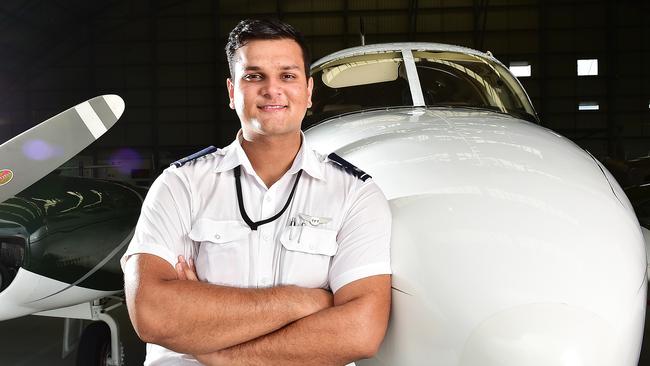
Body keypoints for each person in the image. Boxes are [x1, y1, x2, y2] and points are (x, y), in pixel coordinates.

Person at [122, 18, 392, 366]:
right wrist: (302, 302)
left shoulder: (355, 194)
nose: (272, 89)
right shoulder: (180, 185)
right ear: (233, 92)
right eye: (254, 76)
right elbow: (152, 314)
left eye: (288, 75)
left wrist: (216, 350)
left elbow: (360, 331)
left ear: (308, 91)